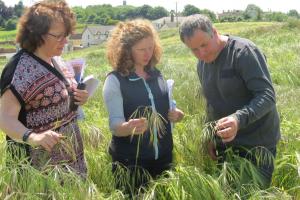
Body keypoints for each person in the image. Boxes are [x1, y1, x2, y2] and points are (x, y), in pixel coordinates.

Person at [179, 14, 280, 188]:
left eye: (204, 45)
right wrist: (211, 135)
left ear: (214, 32)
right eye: (194, 50)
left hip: (257, 145)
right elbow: (212, 103)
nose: (201, 53)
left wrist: (238, 119)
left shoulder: (243, 52)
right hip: (226, 146)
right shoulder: (202, 64)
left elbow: (267, 95)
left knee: (253, 194)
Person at [0, 0, 88, 178]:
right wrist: (32, 137)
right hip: (39, 172)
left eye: (67, 35)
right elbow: (4, 117)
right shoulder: (19, 70)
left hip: (71, 163)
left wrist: (80, 98)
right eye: (59, 36)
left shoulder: (57, 59)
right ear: (37, 34)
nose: (65, 41)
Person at [103, 19, 184, 193]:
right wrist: (128, 127)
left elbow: (169, 106)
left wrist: (177, 114)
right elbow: (115, 126)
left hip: (164, 158)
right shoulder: (115, 80)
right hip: (131, 163)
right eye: (141, 49)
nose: (148, 54)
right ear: (125, 51)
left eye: (150, 47)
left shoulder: (157, 74)